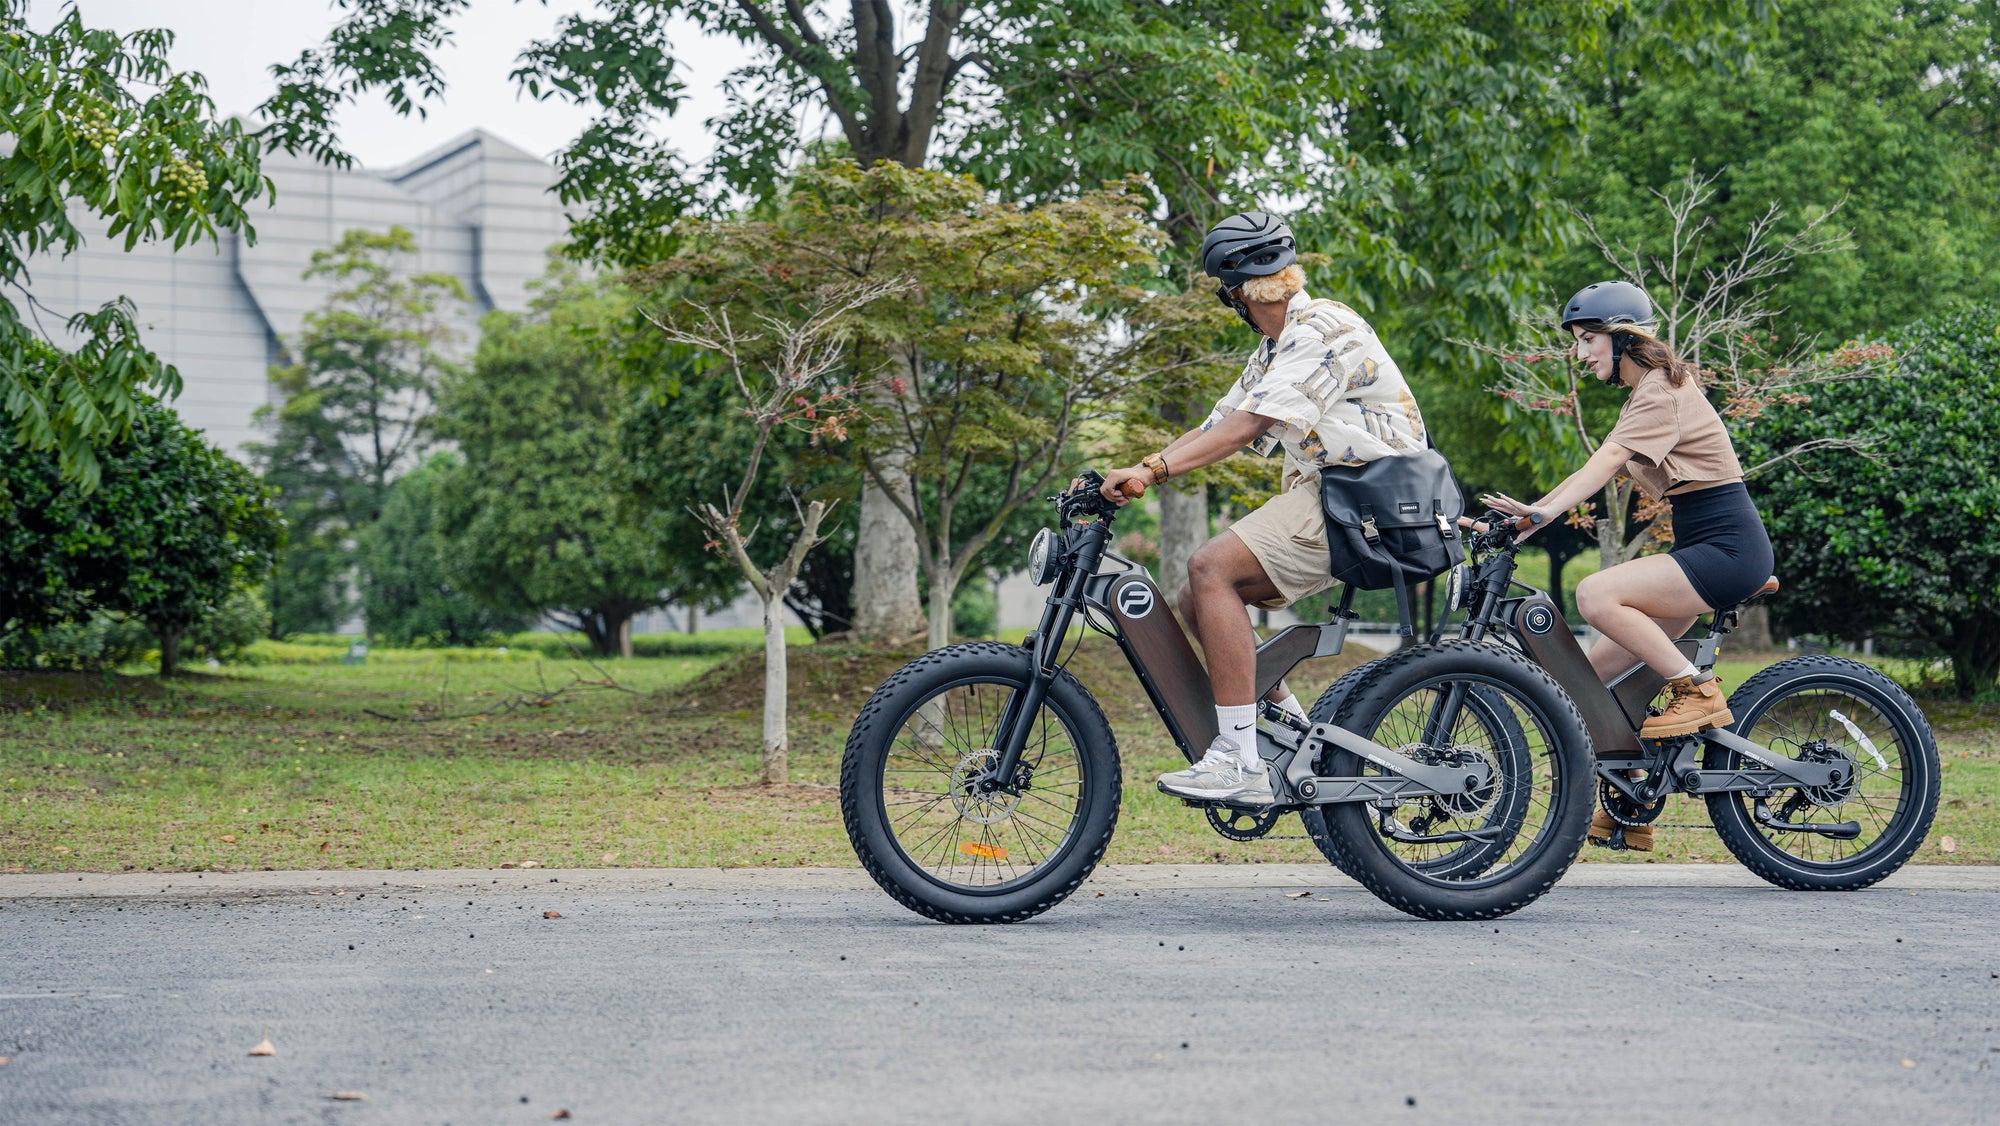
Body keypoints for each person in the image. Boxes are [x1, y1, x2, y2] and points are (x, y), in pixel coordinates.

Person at [1098, 211, 1429, 806]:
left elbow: (1248, 426)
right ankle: (1294, 737)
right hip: (1342, 495)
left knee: (1210, 568)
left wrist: (1153, 472)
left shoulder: (1322, 327)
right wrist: (1144, 467)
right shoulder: (1278, 346)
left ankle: (1239, 760)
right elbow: (1221, 424)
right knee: (1196, 597)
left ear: (1236, 295)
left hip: (1372, 496)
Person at [1482, 280, 1774, 849]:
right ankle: (1633, 794)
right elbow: (1601, 467)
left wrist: (1543, 513)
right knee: (1585, 685)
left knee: (1595, 593)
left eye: (1587, 340)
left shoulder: (1662, 389)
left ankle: (1697, 690)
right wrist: (1529, 518)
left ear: (1622, 338)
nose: (1580, 353)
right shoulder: (1649, 392)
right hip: (1702, 548)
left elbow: (1609, 459)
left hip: (1727, 550)